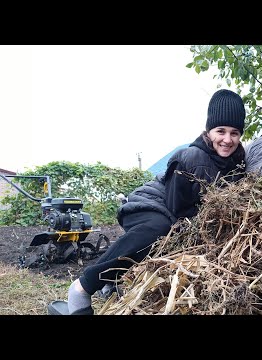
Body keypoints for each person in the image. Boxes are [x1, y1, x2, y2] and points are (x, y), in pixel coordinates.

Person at [47, 89, 246, 315]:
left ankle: (112, 282)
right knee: (160, 232)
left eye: (234, 133)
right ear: (208, 131)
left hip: (175, 214)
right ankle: (83, 287)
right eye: (221, 131)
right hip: (151, 204)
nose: (227, 139)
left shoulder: (237, 163)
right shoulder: (191, 157)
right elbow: (177, 209)